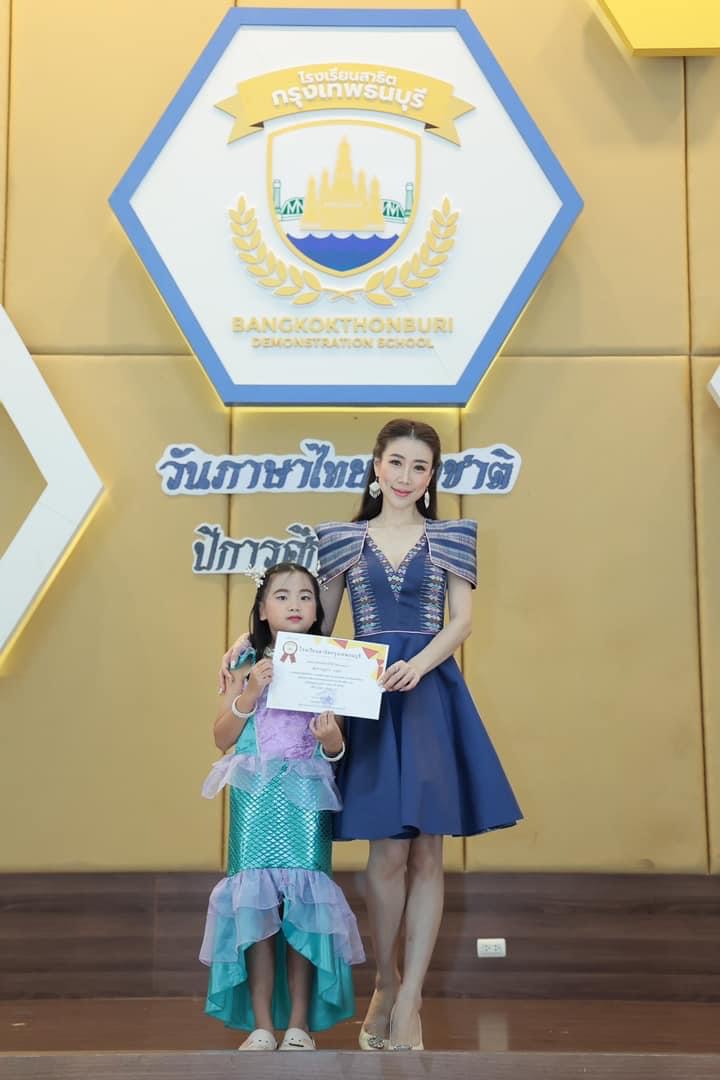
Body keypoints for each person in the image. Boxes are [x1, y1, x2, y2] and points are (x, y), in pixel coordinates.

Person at [218, 420, 522, 1051]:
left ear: (432, 476)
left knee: (428, 852)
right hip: (368, 695)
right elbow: (316, 626)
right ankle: (385, 983)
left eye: (420, 467)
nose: (407, 477)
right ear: (377, 468)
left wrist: (421, 664)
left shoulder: (453, 537)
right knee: (386, 855)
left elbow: (463, 621)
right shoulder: (341, 540)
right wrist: (251, 639)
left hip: (430, 694)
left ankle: (411, 1000)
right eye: (397, 463)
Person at [201, 562, 365, 1051]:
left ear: (317, 612)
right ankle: (260, 1026)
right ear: (262, 609)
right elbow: (221, 737)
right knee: (255, 906)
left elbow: (337, 748)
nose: (294, 604)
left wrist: (332, 741)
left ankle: (298, 1025)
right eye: (282, 596)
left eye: (305, 597)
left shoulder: (331, 662)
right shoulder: (245, 660)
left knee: (305, 907)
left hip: (306, 795)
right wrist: (250, 691)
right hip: (256, 796)